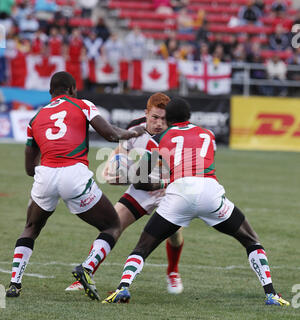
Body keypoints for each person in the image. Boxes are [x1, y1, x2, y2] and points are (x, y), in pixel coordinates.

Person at [102, 97, 290, 307]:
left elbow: (142, 180)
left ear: (169, 119)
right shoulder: (208, 135)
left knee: (142, 247)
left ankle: (122, 288)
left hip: (178, 194)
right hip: (209, 191)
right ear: (189, 116)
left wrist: (149, 181)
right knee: (251, 240)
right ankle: (271, 293)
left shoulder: (161, 138)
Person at [5, 71, 145, 300]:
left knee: (31, 227)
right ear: (71, 89)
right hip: (74, 174)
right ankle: (87, 268)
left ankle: (14, 284)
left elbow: (29, 169)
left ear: (51, 92)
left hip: (45, 175)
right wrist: (133, 132)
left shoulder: (36, 117)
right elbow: (110, 135)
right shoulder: (82, 105)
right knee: (112, 225)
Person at [66, 93, 185, 294]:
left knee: (174, 234)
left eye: (164, 119)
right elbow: (122, 151)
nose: (158, 123)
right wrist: (113, 166)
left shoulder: (176, 135)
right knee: (113, 224)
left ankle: (173, 271)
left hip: (169, 188)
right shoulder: (134, 129)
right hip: (142, 186)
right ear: (146, 113)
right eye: (155, 117)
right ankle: (86, 273)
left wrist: (153, 182)